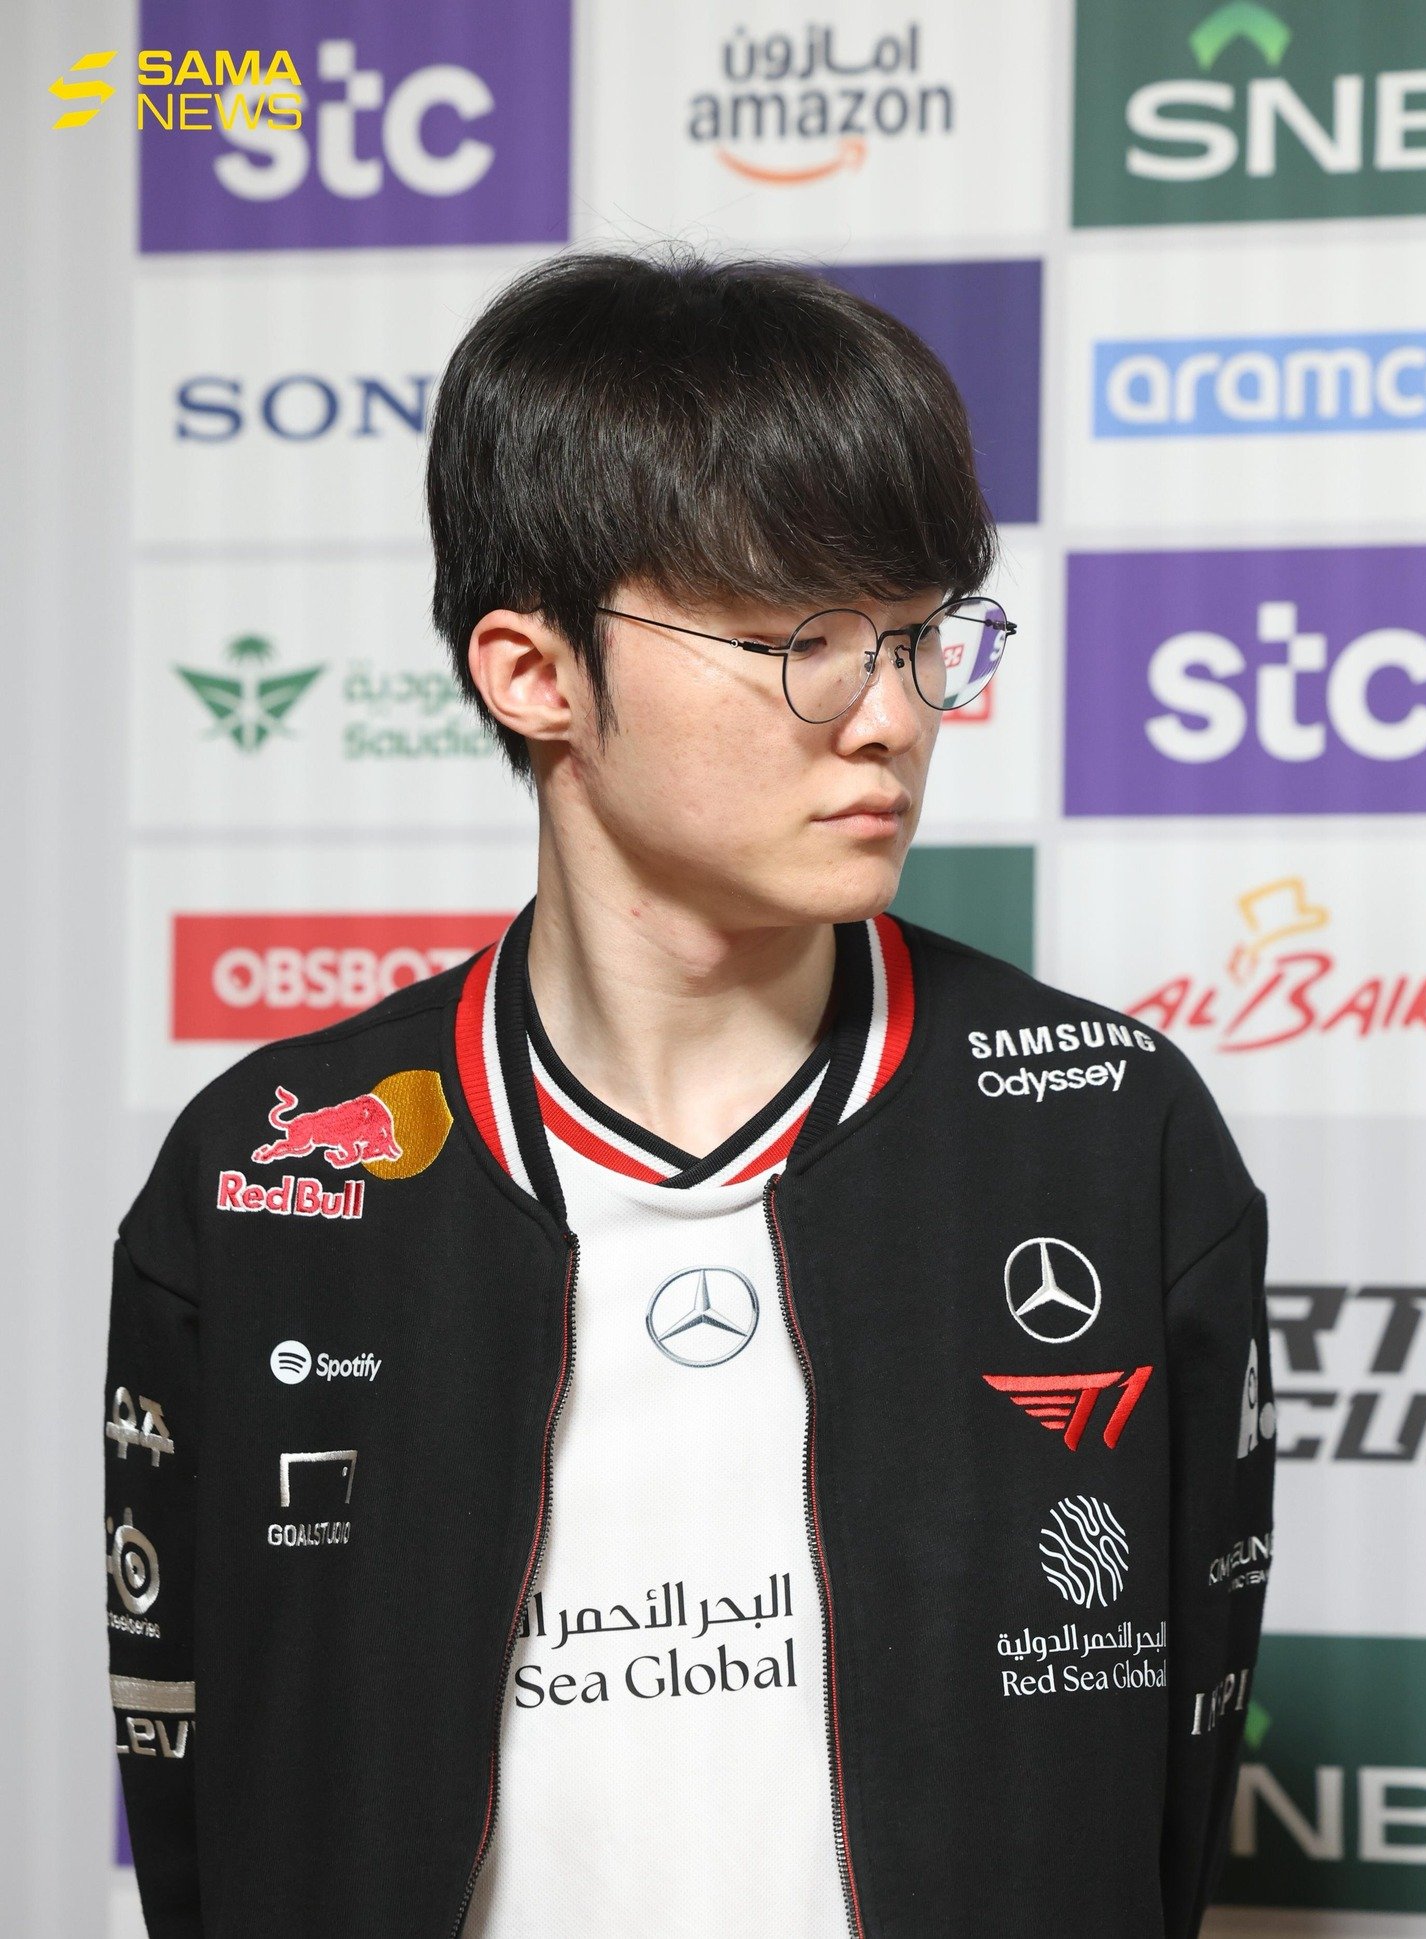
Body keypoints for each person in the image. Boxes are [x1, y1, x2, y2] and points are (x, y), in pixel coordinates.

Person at [103, 247, 1276, 1939]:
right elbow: (200, 1786)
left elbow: (1166, 1795)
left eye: (916, 639)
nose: (891, 720)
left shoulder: (1106, 1125)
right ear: (535, 674)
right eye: (800, 641)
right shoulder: (267, 1173)